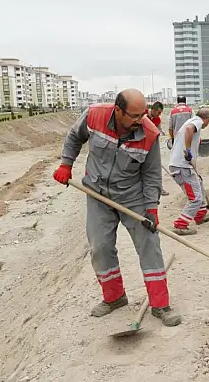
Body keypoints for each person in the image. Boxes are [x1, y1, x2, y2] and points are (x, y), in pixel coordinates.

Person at [52, 88, 181, 327]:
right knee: (100, 247)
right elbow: (73, 137)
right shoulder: (94, 115)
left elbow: (152, 175)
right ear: (118, 110)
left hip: (133, 197)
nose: (139, 120)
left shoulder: (149, 134)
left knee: (150, 247)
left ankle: (160, 305)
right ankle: (114, 298)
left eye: (142, 114)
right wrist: (66, 164)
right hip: (97, 193)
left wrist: (151, 209)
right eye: (133, 116)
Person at [168, 108, 209, 235]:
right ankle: (180, 224)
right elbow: (190, 129)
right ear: (207, 119)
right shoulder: (197, 122)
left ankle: (200, 215)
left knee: (199, 183)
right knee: (195, 197)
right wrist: (188, 150)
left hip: (182, 165)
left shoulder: (192, 120)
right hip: (181, 166)